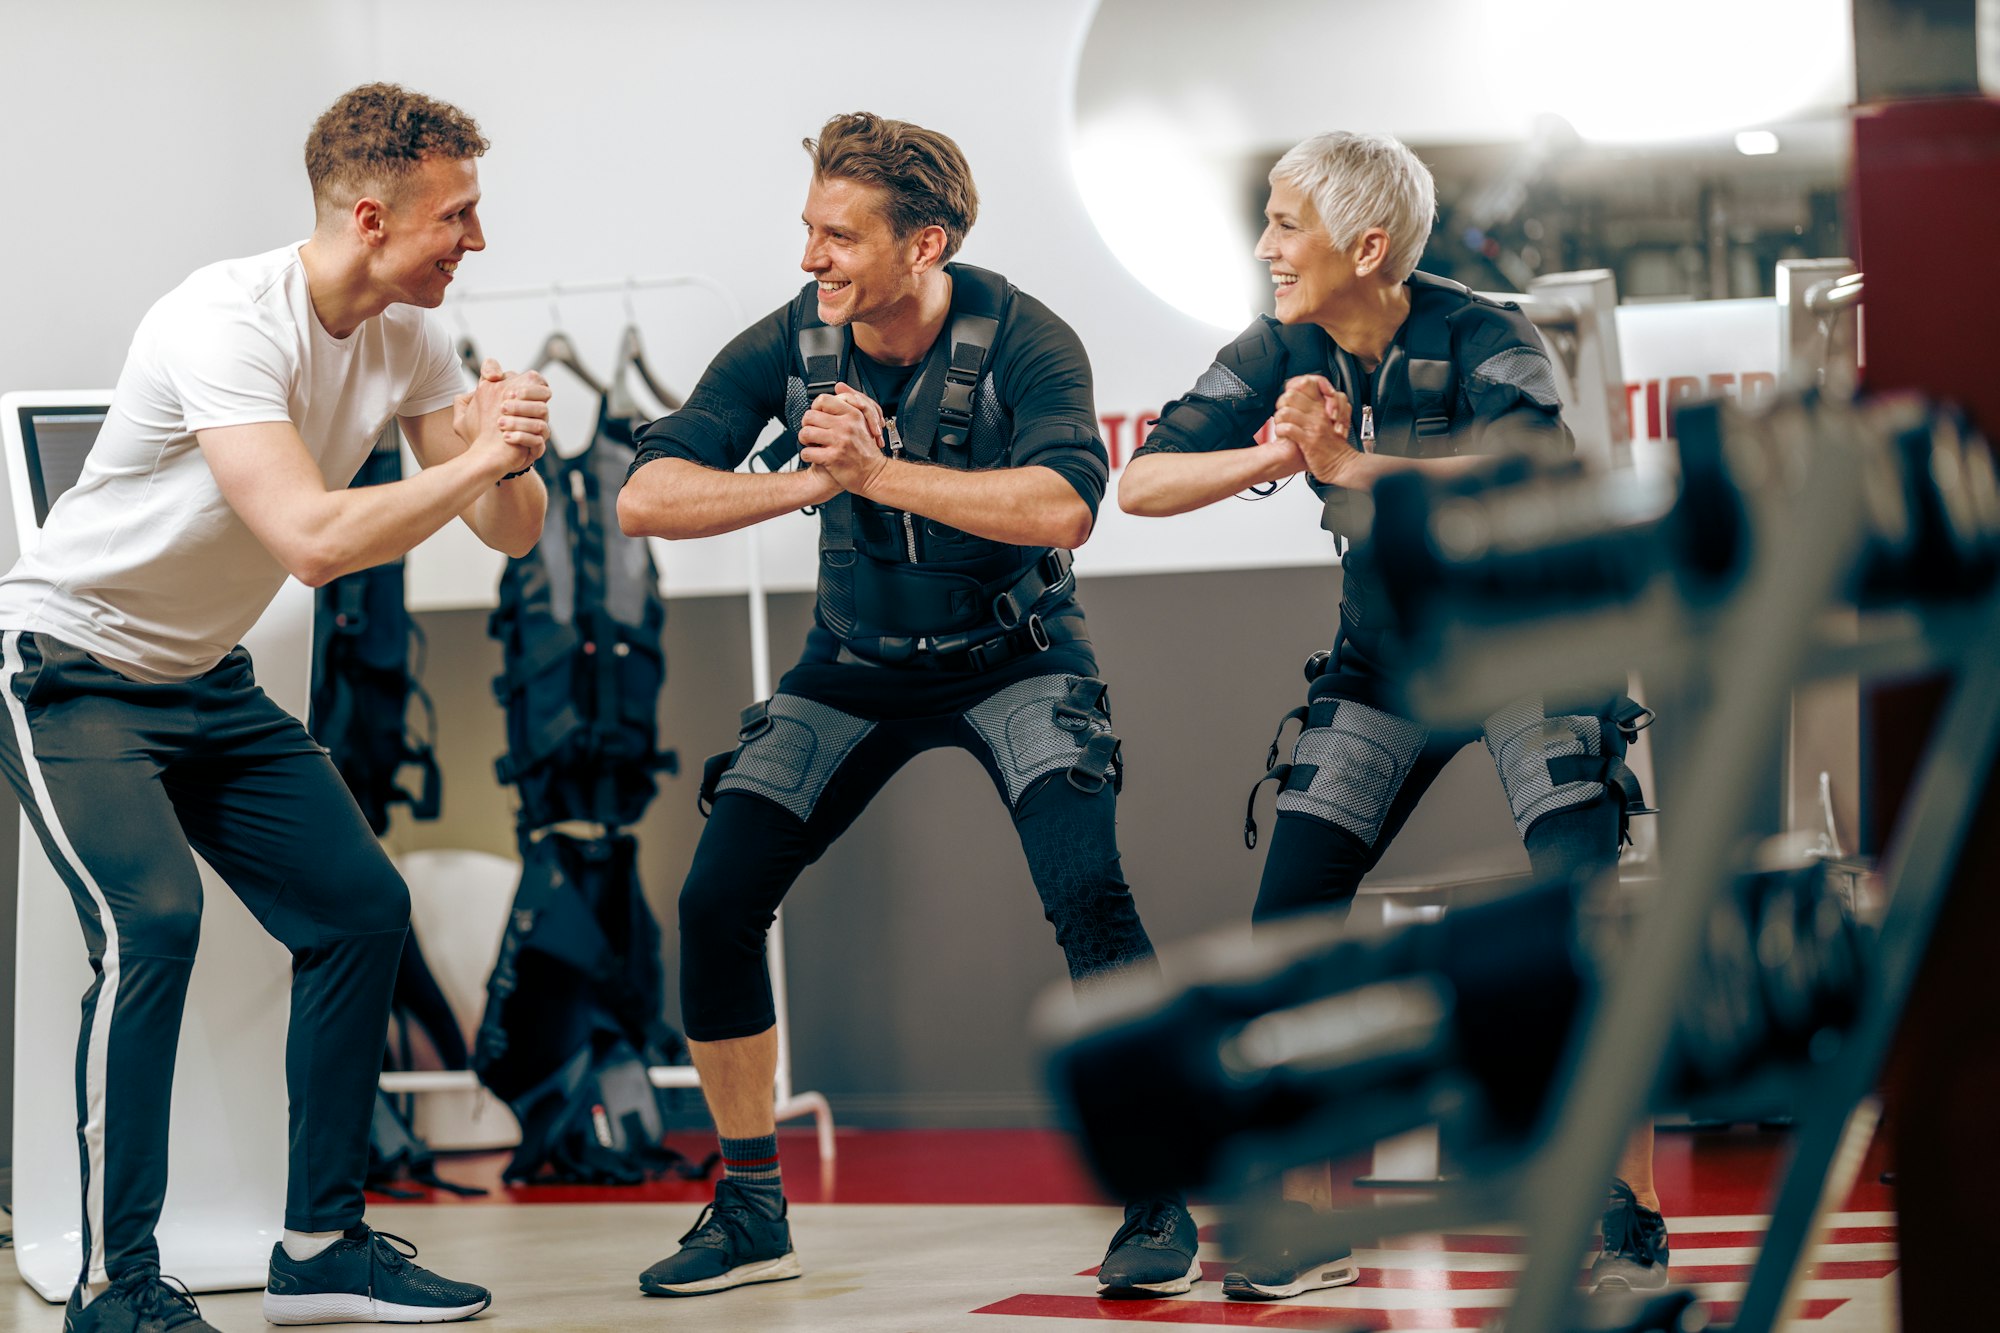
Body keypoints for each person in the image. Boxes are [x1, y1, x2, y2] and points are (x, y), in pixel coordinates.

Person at [0, 83, 549, 1331]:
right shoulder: (224, 318)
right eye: (457, 217)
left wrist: (503, 452)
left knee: (359, 908)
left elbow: (508, 534)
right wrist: (468, 458)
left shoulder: (412, 334)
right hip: (71, 665)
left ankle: (320, 1246)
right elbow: (307, 538)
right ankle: (113, 1282)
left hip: (206, 683)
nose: (476, 240)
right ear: (371, 216)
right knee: (155, 924)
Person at [620, 112, 1193, 1301]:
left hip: (1015, 654)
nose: (809, 259)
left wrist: (877, 474)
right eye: (807, 230)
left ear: (924, 244)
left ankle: (1160, 1196)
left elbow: (1062, 508)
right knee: (717, 898)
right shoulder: (793, 337)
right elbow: (647, 498)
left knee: (1089, 895)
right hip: (853, 661)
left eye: (837, 236)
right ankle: (749, 1208)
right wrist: (800, 483)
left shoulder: (1029, 337)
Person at [1119, 130, 1668, 1299]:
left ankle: (1622, 1210)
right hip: (1386, 665)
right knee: (1291, 927)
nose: (1263, 245)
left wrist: (1347, 466)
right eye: (1264, 220)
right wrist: (1274, 448)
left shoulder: (1484, 333)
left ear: (1365, 246)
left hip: (1533, 646)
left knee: (1578, 912)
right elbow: (1143, 483)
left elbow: (1527, 474)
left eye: (1283, 224)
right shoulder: (1281, 343)